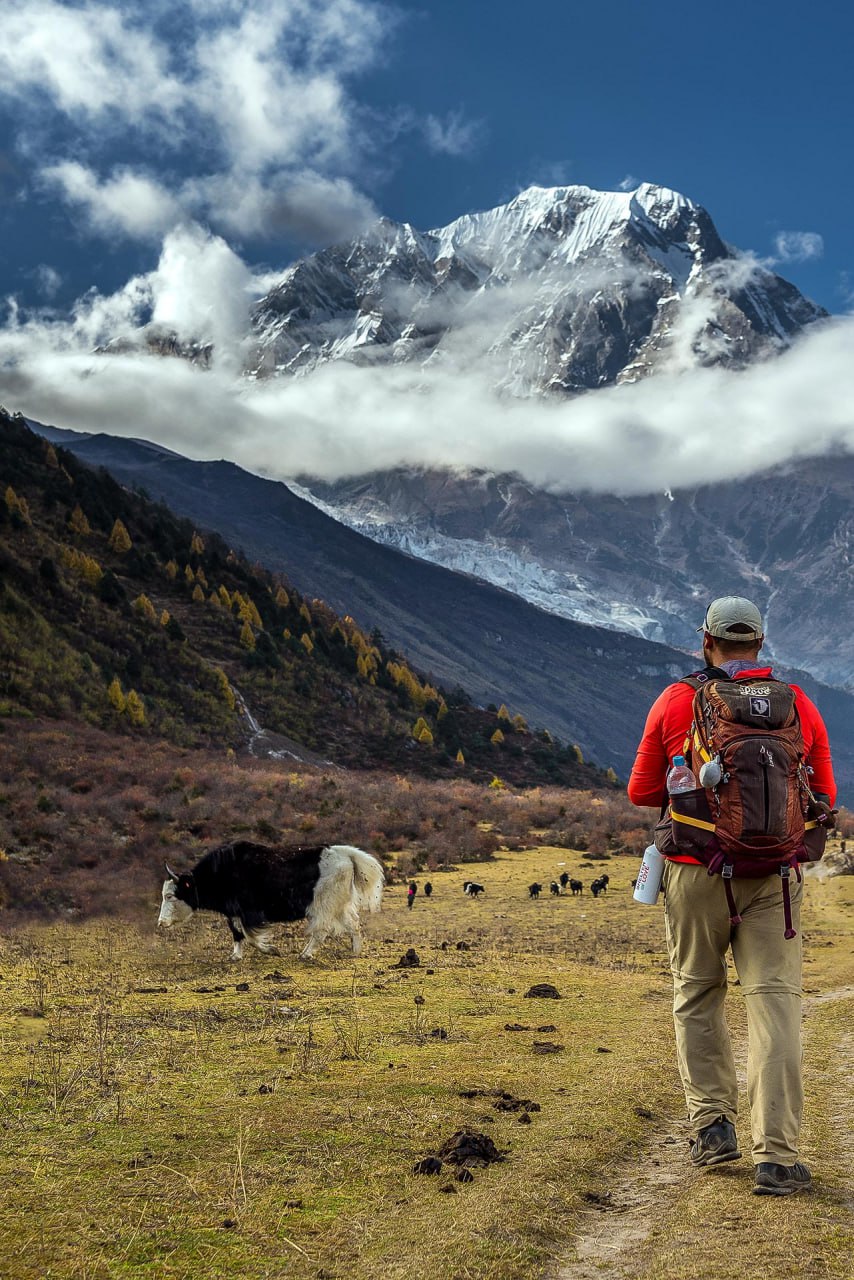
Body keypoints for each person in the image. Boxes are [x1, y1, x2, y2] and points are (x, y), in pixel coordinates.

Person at [628, 596, 836, 1197]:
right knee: (775, 1005)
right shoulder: (798, 706)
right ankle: (777, 1156)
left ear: (707, 642)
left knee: (697, 993)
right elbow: (822, 791)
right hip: (774, 880)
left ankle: (713, 1127)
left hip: (695, 871)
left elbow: (644, 791)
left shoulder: (676, 701)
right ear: (760, 645)